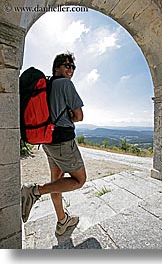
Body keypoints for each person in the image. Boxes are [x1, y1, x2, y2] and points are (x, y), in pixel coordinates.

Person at [21, 52, 87, 236]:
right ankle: (34, 191)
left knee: (56, 182)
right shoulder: (65, 84)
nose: (70, 70)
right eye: (67, 65)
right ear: (56, 68)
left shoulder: (47, 85)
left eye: (73, 67)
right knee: (79, 180)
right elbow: (79, 116)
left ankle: (62, 221)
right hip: (63, 141)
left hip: (48, 140)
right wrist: (71, 115)